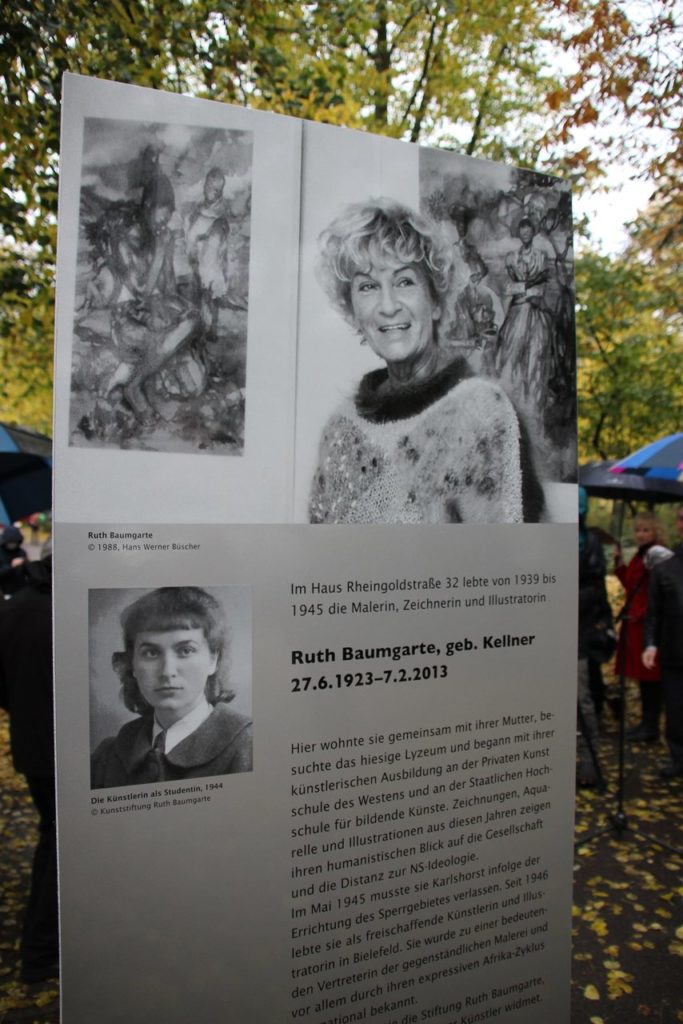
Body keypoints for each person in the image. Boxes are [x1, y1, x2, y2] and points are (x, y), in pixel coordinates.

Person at [309, 198, 544, 524]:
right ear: (353, 314)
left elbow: (503, 564)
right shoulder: (340, 430)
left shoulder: (478, 409)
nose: (388, 306)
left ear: (434, 300)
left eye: (404, 281)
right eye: (368, 287)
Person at [91, 587, 252, 788]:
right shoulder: (107, 757)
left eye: (185, 650)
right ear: (132, 664)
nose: (167, 671)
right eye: (151, 653)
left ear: (213, 659)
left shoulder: (248, 749)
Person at [0, 541, 58, 982]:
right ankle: (39, 954)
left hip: (31, 747)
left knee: (52, 838)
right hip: (61, 751)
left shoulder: (15, 608)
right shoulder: (64, 609)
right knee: (57, 847)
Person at [614, 512, 667, 742]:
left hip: (646, 625)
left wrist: (642, 613)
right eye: (638, 530)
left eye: (646, 530)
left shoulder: (657, 556)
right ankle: (646, 723)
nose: (641, 534)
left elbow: (660, 592)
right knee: (643, 678)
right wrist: (619, 565)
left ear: (655, 531)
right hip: (634, 625)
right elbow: (631, 585)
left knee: (650, 677)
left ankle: (651, 726)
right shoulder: (640, 555)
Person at [494, 217, 553, 406]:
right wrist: (529, 284)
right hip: (517, 311)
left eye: (529, 231)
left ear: (533, 233)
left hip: (534, 310)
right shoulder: (511, 258)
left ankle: (535, 401)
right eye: (522, 231)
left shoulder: (541, 257)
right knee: (509, 353)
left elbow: (541, 290)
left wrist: (524, 290)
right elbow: (509, 288)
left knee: (537, 354)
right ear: (519, 233)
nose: (525, 234)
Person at [643, 504, 683, 778]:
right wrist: (651, 644)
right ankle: (678, 759)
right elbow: (654, 611)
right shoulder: (666, 567)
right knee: (676, 711)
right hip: (674, 652)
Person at [577, 487, 612, 787]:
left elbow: (597, 589)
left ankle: (589, 759)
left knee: (583, 698)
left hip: (579, 632)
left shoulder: (590, 544)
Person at [0, 524, 28, 599]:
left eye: (14, 541)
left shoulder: (22, 552)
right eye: (10, 542)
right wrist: (12, 566)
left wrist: (25, 562)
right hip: (5, 591)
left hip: (22, 590)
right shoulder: (1, 553)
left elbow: (28, 571)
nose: (12, 544)